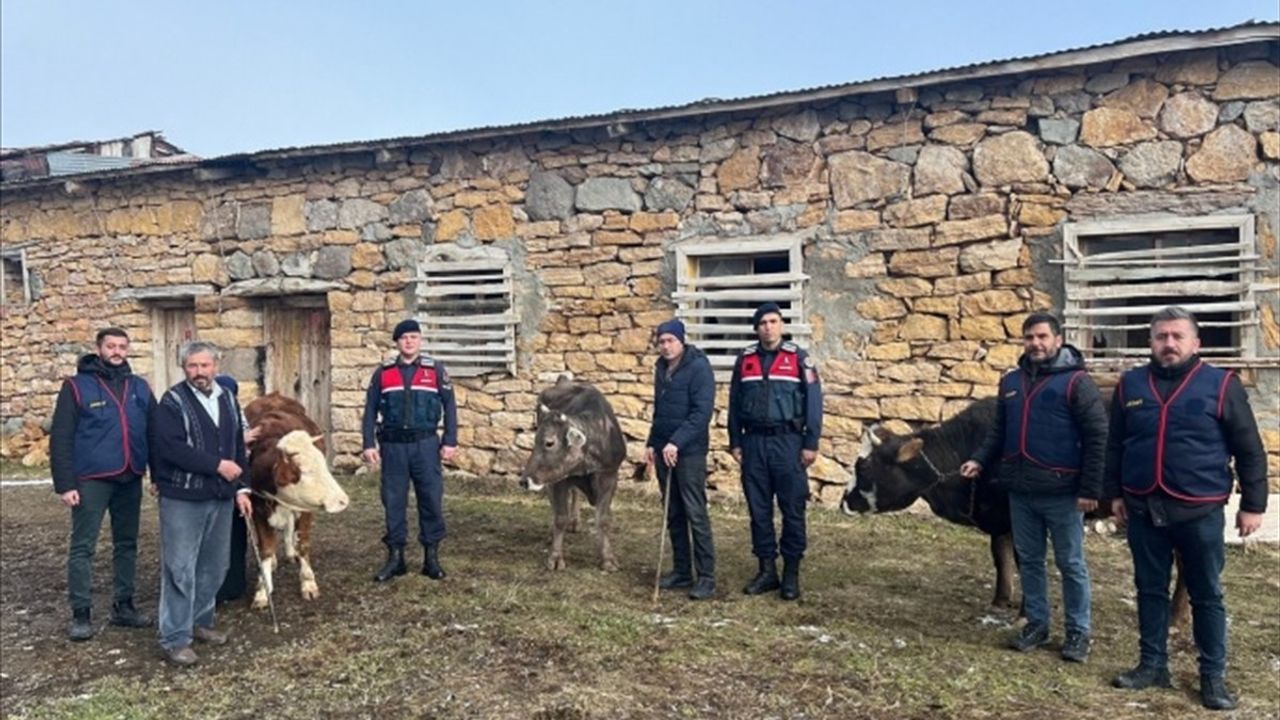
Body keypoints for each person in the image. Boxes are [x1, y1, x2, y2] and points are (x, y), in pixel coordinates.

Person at [1105, 307, 1267, 711]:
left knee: (1206, 594)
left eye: (1178, 336)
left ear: (1196, 342)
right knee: (1149, 590)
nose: (1169, 344)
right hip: (1144, 507)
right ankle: (1152, 665)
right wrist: (1115, 494)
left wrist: (1253, 505)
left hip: (1199, 511)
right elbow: (1114, 445)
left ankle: (1212, 677)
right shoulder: (1130, 385)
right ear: (1151, 342)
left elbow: (1249, 449)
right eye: (1161, 336)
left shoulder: (1220, 385)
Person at [960, 313, 1107, 662]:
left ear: (1058, 339)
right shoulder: (1011, 381)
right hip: (1021, 490)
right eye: (1029, 337)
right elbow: (999, 430)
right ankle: (1037, 625)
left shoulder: (1077, 383)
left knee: (1071, 563)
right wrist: (979, 458)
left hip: (1063, 492)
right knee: (1029, 560)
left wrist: (1090, 489)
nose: (1035, 344)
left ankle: (1078, 633)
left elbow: (1098, 435)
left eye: (1042, 336)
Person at [150, 341, 253, 667]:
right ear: (184, 368)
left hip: (221, 496)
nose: (199, 372)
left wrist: (242, 488)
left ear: (216, 366)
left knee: (214, 565)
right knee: (180, 567)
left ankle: (200, 621)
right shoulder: (172, 402)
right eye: (192, 366)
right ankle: (175, 638)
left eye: (204, 366)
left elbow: (237, 445)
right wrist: (216, 465)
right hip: (183, 496)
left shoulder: (228, 398)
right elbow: (171, 448)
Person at [50, 327, 155, 641]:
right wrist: (65, 484)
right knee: (83, 546)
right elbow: (61, 438)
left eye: (122, 346)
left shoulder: (139, 387)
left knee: (127, 543)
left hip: (130, 475)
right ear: (99, 349)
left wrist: (157, 474)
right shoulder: (76, 387)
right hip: (91, 479)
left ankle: (124, 605)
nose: (117, 351)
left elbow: (154, 433)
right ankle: (81, 612)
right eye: (111, 346)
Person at [727, 302, 822, 601]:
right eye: (763, 323)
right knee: (759, 510)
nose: (768, 327)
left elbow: (814, 403)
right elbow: (733, 404)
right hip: (754, 444)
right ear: (756, 328)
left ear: (781, 325)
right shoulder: (745, 361)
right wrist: (735, 441)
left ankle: (791, 573)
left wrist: (810, 443)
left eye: (773, 321)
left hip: (789, 444)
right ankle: (767, 570)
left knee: (793, 508)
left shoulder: (799, 360)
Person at [362, 319, 458, 583]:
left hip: (426, 445)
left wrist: (450, 441)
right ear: (396, 342)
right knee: (393, 501)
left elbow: (450, 406)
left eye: (414, 337)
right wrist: (368, 443)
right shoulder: (383, 373)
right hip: (393, 447)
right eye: (404, 338)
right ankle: (396, 559)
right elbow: (369, 410)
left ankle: (431, 558)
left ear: (420, 341)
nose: (409, 342)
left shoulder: (435, 370)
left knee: (431, 499)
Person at [644, 319, 717, 601]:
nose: (665, 346)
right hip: (664, 451)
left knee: (694, 511)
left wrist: (678, 441)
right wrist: (653, 442)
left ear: (681, 341)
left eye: (670, 341)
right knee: (672, 511)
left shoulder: (699, 368)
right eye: (661, 341)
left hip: (689, 452)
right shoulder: (661, 368)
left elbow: (701, 413)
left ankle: (707, 576)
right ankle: (682, 570)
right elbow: (660, 411)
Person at [214, 374, 260, 604]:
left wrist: (243, 488)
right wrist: (244, 439)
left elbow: (242, 451)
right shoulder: (207, 409)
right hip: (212, 479)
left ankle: (234, 583)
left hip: (235, 480)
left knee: (236, 534)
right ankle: (215, 586)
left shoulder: (236, 412)